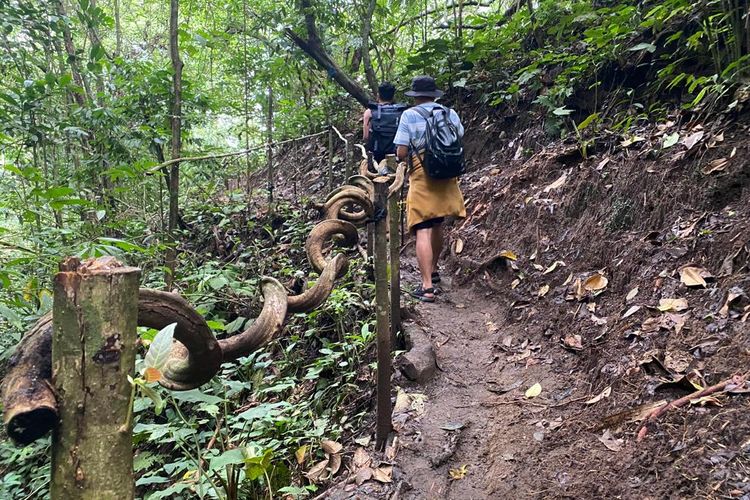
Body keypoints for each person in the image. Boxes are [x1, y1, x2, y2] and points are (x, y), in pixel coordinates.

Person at [393, 76, 466, 303]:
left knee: (422, 226)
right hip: (446, 172)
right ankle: (434, 271)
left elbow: (402, 152)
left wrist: (400, 158)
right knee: (437, 223)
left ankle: (426, 287)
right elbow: (459, 136)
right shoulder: (449, 113)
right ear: (435, 94)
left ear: (415, 96)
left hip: (422, 173)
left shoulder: (409, 115)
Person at [363, 82, 408, 168]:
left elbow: (366, 137)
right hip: (397, 155)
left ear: (378, 95)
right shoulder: (402, 112)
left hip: (376, 155)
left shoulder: (369, 112)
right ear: (393, 96)